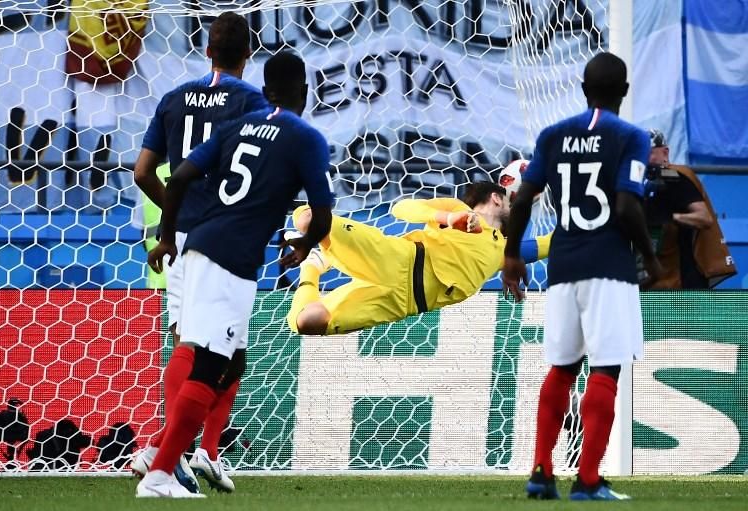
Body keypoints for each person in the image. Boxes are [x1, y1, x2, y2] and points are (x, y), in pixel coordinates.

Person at [136, 51, 334, 498]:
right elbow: (322, 216)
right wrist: (303, 245)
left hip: (200, 243)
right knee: (209, 361)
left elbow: (180, 176)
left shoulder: (236, 127)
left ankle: (181, 455)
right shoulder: (306, 138)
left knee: (228, 360)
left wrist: (167, 237)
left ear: (266, 94)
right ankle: (161, 470)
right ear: (305, 92)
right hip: (231, 259)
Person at [502, 52, 662, 501]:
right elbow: (628, 206)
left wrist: (512, 255)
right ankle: (588, 479)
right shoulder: (630, 136)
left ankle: (540, 471)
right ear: (624, 91)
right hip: (608, 266)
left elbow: (522, 199)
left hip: (563, 265)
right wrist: (650, 258)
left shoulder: (553, 135)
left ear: (582, 88)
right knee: (605, 367)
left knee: (563, 367)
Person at [130, 12, 269, 492]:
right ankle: (180, 452)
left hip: (181, 233)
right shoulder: (252, 101)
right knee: (221, 352)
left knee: (191, 343)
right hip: (225, 238)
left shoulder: (173, 100)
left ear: (206, 51)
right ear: (248, 58)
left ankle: (185, 452)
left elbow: (143, 171)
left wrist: (174, 209)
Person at [286, 181, 551, 336]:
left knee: (309, 321)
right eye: (509, 202)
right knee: (308, 218)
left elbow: (549, 243)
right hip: (399, 258)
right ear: (496, 198)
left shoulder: (504, 250)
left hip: (400, 303)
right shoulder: (457, 209)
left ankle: (312, 267)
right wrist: (447, 219)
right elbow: (401, 208)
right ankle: (313, 246)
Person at [644, 129, 736, 289]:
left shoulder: (673, 175)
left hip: (684, 280)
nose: (643, 159)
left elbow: (704, 218)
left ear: (665, 153)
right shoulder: (641, 182)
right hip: (655, 278)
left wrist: (671, 217)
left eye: (648, 153)